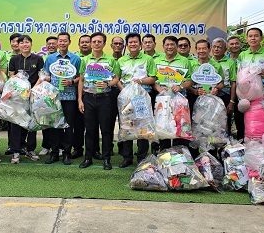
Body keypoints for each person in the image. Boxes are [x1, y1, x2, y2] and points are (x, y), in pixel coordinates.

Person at [78, 32, 120, 170]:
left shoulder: (111, 60)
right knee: (89, 130)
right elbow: (81, 80)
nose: (96, 44)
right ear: (91, 44)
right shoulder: (85, 60)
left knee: (106, 130)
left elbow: (116, 78)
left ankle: (106, 159)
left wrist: (108, 84)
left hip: (105, 99)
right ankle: (87, 158)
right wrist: (80, 99)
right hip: (89, 98)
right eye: (94, 41)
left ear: (104, 44)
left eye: (99, 41)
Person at [117, 32, 157, 168]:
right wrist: (123, 91)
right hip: (126, 99)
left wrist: (141, 81)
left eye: (135, 42)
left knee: (142, 128)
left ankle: (141, 157)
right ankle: (127, 157)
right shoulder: (121, 60)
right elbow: (117, 78)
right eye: (130, 43)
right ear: (127, 45)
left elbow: (153, 78)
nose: (133, 44)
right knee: (127, 127)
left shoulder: (148, 59)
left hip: (142, 98)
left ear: (140, 44)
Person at [43, 32, 81, 165]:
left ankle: (66, 153)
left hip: (70, 97)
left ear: (69, 42)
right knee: (54, 125)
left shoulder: (76, 59)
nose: (62, 43)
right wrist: (46, 79)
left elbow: (80, 77)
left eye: (65, 41)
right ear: (57, 42)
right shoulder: (50, 59)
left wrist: (71, 82)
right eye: (60, 41)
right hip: (54, 97)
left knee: (68, 126)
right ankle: (54, 153)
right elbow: (45, 75)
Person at [8, 34, 44, 164]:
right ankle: (16, 151)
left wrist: (32, 89)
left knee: (32, 123)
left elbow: (42, 76)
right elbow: (11, 77)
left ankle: (30, 150)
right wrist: (20, 88)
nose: (25, 44)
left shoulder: (38, 59)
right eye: (22, 42)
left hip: (33, 95)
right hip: (18, 97)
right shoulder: (14, 59)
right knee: (16, 123)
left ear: (31, 44)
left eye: (27, 42)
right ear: (19, 45)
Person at [237, 28, 264, 140]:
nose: (253, 38)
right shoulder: (242, 55)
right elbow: (239, 76)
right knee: (247, 124)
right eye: (250, 36)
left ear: (261, 38)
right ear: (246, 39)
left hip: (263, 94)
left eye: (256, 36)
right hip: (246, 96)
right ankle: (247, 148)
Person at [152, 35, 191, 150]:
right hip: (162, 100)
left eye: (172, 45)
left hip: (179, 100)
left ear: (176, 46)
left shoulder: (184, 61)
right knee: (163, 128)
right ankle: (164, 155)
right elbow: (152, 79)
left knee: (180, 128)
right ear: (163, 47)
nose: (169, 47)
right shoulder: (156, 61)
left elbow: (190, 80)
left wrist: (181, 86)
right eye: (167, 45)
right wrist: (158, 88)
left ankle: (180, 158)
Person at [211, 38, 237, 138]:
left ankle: (224, 150)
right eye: (214, 47)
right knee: (211, 122)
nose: (216, 49)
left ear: (225, 49)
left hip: (225, 95)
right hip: (211, 96)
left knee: (225, 123)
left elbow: (233, 83)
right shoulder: (208, 62)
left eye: (219, 47)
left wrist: (231, 101)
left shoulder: (230, 62)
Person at [39, 36, 59, 156]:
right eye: (49, 44)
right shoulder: (43, 59)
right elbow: (42, 75)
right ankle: (46, 146)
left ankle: (59, 147)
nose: (51, 46)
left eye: (53, 43)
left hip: (60, 93)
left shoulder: (62, 58)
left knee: (58, 121)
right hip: (46, 94)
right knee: (46, 120)